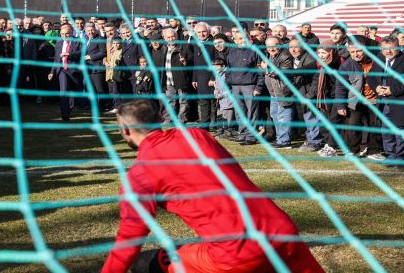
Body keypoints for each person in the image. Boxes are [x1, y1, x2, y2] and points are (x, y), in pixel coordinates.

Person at [103, 99, 325, 273]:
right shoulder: (198, 135)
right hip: (283, 232)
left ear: (125, 131)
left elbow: (130, 240)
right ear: (160, 117)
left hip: (236, 254)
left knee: (146, 263)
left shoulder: (139, 176)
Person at [324, 42, 382, 159]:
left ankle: (373, 151)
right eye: (352, 52)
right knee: (352, 126)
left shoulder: (376, 61)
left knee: (375, 126)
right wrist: (340, 106)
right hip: (355, 101)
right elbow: (340, 87)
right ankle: (352, 151)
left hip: (374, 100)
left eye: (359, 51)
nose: (356, 54)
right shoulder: (346, 65)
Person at [368, 36, 404, 162]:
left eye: (391, 49)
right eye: (385, 49)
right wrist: (376, 88)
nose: (388, 51)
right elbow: (371, 77)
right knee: (386, 130)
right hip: (383, 102)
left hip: (399, 102)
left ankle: (400, 157)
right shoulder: (379, 58)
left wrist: (392, 90)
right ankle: (391, 155)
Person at [226, 29, 264, 145]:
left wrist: (258, 87)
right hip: (235, 87)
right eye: (240, 39)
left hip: (250, 86)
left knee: (252, 112)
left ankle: (251, 136)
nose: (242, 41)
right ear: (235, 40)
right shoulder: (231, 52)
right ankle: (242, 133)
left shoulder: (254, 51)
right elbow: (228, 70)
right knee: (239, 112)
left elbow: (260, 72)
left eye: (244, 38)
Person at [260, 37, 294, 149]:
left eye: (273, 46)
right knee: (274, 114)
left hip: (283, 91)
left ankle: (284, 141)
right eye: (268, 47)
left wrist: (268, 67)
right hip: (273, 91)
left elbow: (282, 72)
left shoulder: (285, 56)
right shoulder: (270, 54)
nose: (271, 49)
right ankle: (280, 138)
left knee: (283, 116)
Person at [288, 38, 321, 152]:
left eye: (296, 47)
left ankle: (315, 142)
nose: (293, 49)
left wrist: (309, 95)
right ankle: (310, 139)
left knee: (311, 117)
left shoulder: (309, 58)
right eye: (291, 47)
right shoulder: (292, 59)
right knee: (307, 118)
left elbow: (315, 79)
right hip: (300, 94)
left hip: (308, 95)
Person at [48, 24, 82, 121]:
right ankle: (64, 113)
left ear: (72, 33)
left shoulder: (78, 42)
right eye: (62, 34)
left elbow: (82, 53)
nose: (64, 36)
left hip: (75, 71)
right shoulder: (59, 43)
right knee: (63, 91)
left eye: (67, 34)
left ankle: (69, 110)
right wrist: (52, 72)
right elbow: (56, 59)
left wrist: (69, 54)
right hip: (62, 70)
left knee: (72, 94)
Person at [160, 28, 192, 124]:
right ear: (164, 38)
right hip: (168, 80)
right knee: (170, 101)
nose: (171, 39)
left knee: (183, 101)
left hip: (182, 79)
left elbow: (192, 62)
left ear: (177, 36)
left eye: (173, 36)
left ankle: (182, 120)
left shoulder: (185, 47)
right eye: (168, 37)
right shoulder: (164, 48)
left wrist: (185, 62)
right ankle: (169, 119)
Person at [191, 23, 216, 131]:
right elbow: (195, 63)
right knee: (203, 102)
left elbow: (217, 63)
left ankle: (214, 124)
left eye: (204, 31)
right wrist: (194, 78)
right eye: (199, 32)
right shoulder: (196, 44)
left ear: (208, 31)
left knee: (213, 102)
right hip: (200, 78)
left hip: (211, 77)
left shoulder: (214, 43)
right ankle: (205, 124)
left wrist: (213, 78)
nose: (202, 34)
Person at [83, 22, 109, 110]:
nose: (90, 32)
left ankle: (101, 106)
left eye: (92, 30)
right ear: (85, 31)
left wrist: (90, 57)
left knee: (99, 89)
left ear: (95, 29)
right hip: (88, 69)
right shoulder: (85, 40)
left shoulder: (100, 39)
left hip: (97, 68)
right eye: (88, 31)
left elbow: (103, 52)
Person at [209, 57, 236, 139]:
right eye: (213, 65)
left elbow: (231, 88)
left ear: (223, 66)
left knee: (227, 117)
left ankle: (228, 132)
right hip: (220, 101)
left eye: (216, 65)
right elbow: (216, 86)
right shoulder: (217, 74)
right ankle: (221, 130)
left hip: (228, 101)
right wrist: (216, 93)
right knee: (220, 116)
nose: (214, 67)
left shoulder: (227, 75)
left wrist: (222, 95)